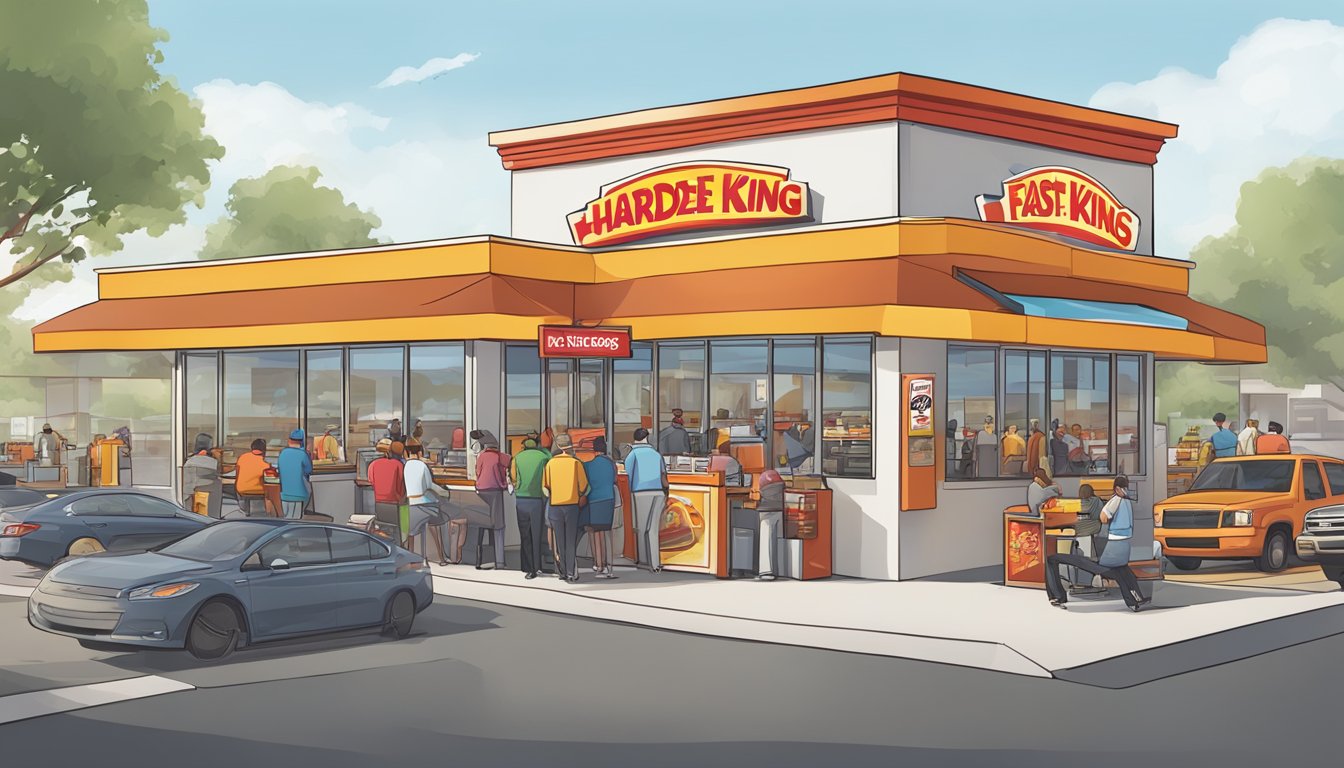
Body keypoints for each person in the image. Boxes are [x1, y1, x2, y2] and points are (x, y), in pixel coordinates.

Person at [1044, 475, 1147, 611]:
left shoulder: (1115, 500)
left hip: (1112, 541)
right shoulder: (1124, 501)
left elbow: (1103, 517)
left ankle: (1134, 599)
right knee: (1121, 570)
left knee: (1106, 568)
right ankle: (1134, 599)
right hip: (1121, 542)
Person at [542, 434, 589, 583]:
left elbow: (545, 487)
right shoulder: (576, 463)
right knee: (570, 540)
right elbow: (584, 486)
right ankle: (570, 572)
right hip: (571, 506)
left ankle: (561, 571)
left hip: (555, 506)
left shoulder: (550, 464)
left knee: (559, 541)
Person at [626, 427, 669, 571]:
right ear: (647, 438)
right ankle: (655, 562)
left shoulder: (632, 455)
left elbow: (628, 477)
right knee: (653, 529)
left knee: (641, 528)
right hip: (658, 493)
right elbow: (664, 476)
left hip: (640, 493)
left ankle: (644, 560)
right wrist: (666, 492)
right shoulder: (656, 454)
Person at [509, 434, 551, 578]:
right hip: (537, 500)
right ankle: (536, 566)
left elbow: (513, 478)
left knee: (525, 534)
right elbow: (550, 467)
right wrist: (543, 449)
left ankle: (526, 566)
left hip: (521, 500)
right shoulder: (543, 457)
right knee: (537, 534)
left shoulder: (517, 458)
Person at [403, 443, 449, 565]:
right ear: (420, 453)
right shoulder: (422, 465)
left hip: (411, 506)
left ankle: (411, 556)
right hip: (425, 506)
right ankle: (441, 557)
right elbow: (429, 486)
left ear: (406, 453)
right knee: (435, 524)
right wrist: (443, 492)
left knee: (411, 532)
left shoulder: (405, 466)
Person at [470, 429, 510, 570]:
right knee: (498, 527)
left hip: (481, 492)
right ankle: (499, 562)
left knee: (481, 526)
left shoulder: (481, 457)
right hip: (495, 493)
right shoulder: (502, 457)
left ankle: (478, 561)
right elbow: (511, 464)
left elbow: (477, 472)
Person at [583, 436, 620, 579]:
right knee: (606, 532)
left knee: (594, 532)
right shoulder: (611, 464)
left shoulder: (588, 465)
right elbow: (615, 480)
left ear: (594, 449)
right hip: (609, 499)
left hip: (593, 500)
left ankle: (598, 564)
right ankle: (608, 565)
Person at [368, 440, 407, 538]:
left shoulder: (373, 464)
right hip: (394, 504)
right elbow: (401, 487)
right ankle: (405, 542)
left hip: (376, 504)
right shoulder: (398, 465)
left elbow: (371, 482)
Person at [756, 468, 787, 580]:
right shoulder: (779, 484)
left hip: (767, 511)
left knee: (767, 534)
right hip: (780, 509)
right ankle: (780, 569)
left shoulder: (763, 485)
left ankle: (766, 570)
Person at [182, 433, 223, 518]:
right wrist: (218, 457)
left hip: (188, 496)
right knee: (218, 483)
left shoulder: (189, 460)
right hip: (206, 494)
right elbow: (220, 470)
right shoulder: (209, 462)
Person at [277, 429, 314, 520]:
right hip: (299, 494)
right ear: (302, 442)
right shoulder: (303, 454)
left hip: (284, 494)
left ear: (289, 440)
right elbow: (308, 470)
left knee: (286, 519)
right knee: (296, 520)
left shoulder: (283, 453)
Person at [234, 438, 271, 517]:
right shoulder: (266, 465)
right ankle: (268, 513)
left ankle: (244, 510)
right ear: (264, 450)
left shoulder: (242, 457)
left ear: (252, 448)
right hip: (257, 492)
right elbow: (268, 482)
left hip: (241, 489)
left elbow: (237, 473)